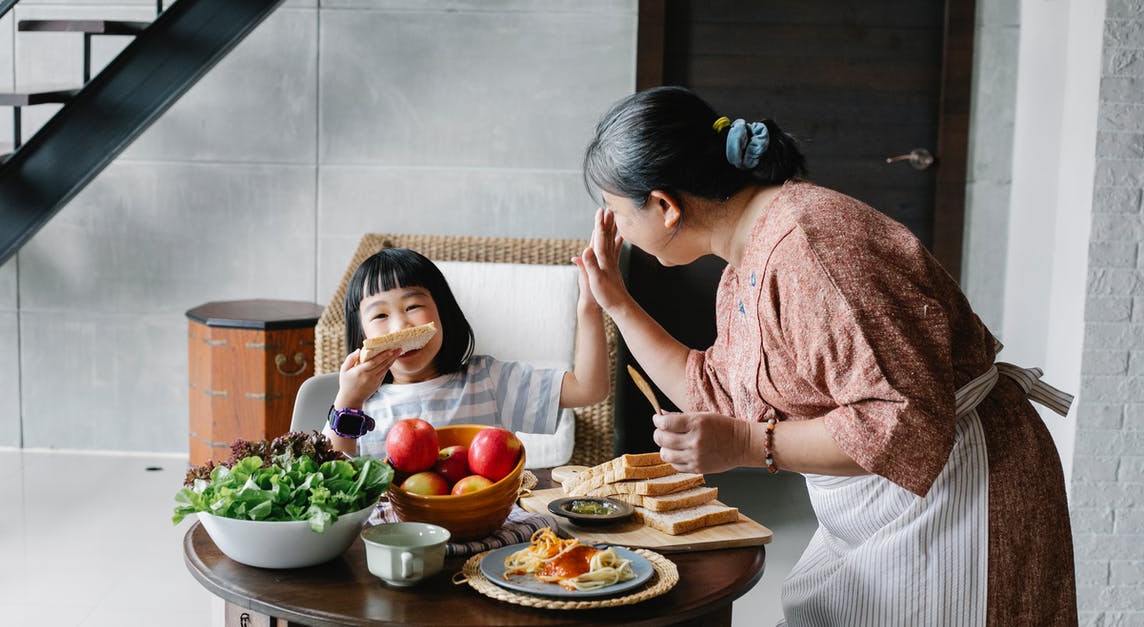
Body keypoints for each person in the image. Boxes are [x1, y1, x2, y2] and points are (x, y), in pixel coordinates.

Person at [574, 86, 1077, 626]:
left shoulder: (810, 249)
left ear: (666, 206)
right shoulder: (747, 260)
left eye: (614, 210)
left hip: (959, 495)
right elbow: (715, 390)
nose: (614, 229)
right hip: (887, 506)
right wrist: (618, 304)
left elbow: (901, 423)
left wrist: (745, 443)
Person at [323, 247, 609, 468]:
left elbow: (588, 389)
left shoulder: (490, 381)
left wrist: (590, 306)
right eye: (381, 315)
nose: (400, 327)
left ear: (442, 313)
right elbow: (331, 481)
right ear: (361, 334)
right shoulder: (358, 408)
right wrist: (349, 401)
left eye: (413, 306)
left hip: (484, 530)